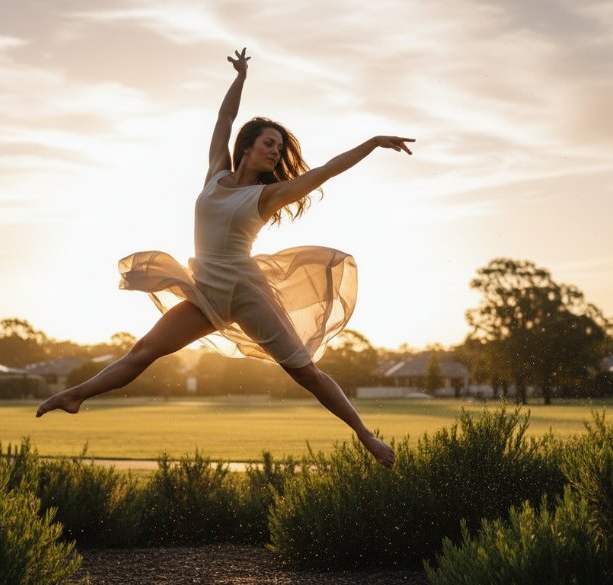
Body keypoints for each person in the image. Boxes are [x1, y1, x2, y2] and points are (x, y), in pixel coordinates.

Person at [37, 48, 413, 468]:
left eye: (279, 147)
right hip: (207, 292)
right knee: (143, 350)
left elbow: (323, 170)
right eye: (269, 144)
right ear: (247, 148)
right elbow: (223, 121)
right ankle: (75, 395)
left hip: (247, 292)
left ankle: (366, 435)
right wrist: (241, 77)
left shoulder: (267, 195)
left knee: (305, 374)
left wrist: (373, 143)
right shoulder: (216, 173)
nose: (275, 152)